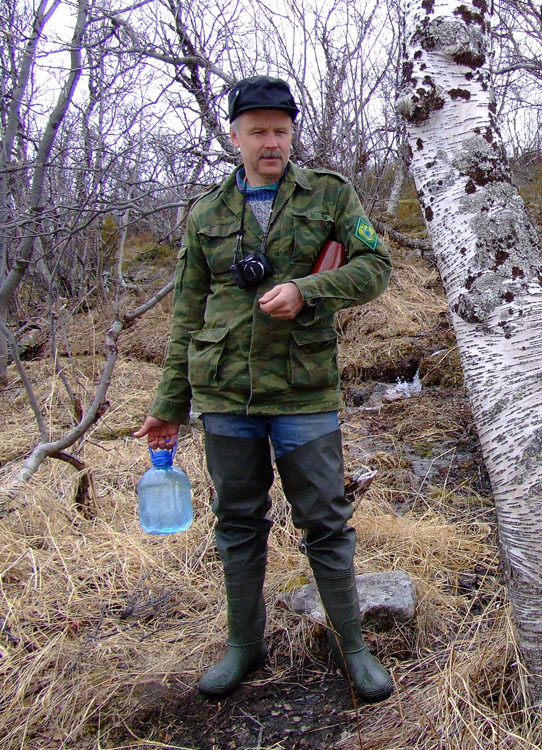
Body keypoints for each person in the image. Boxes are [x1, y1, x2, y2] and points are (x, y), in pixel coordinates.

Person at [134, 75, 393, 702]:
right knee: (238, 522)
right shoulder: (206, 214)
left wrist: (308, 290)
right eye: (257, 131)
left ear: (291, 132)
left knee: (326, 521)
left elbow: (375, 266)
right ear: (235, 136)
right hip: (224, 396)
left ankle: (352, 646)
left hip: (303, 390)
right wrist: (169, 406)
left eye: (280, 130)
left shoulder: (331, 195)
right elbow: (186, 317)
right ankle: (244, 646)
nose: (270, 142)